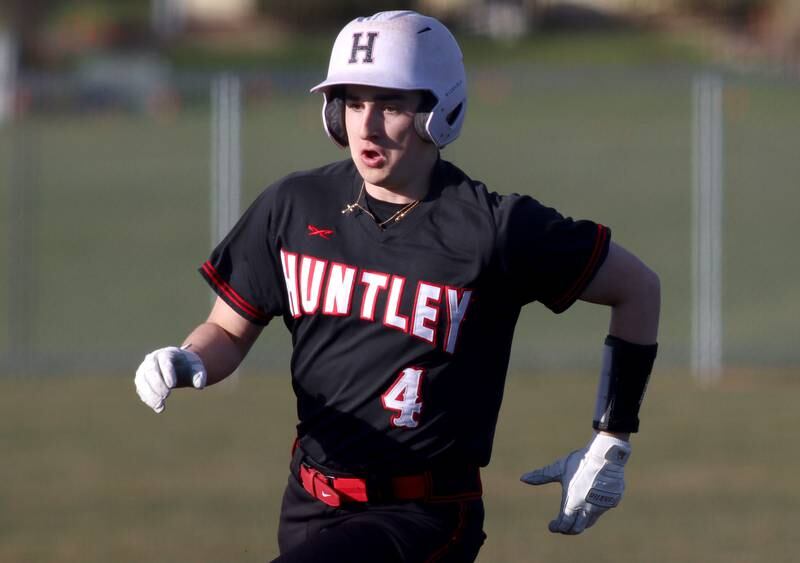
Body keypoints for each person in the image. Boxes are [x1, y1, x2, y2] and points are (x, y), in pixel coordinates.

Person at [134, 10, 660, 562]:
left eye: (391, 104)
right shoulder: (294, 206)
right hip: (309, 503)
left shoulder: (495, 228)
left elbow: (638, 289)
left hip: (423, 516)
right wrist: (189, 357)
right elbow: (228, 329)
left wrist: (611, 439)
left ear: (440, 110)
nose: (367, 124)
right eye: (353, 102)